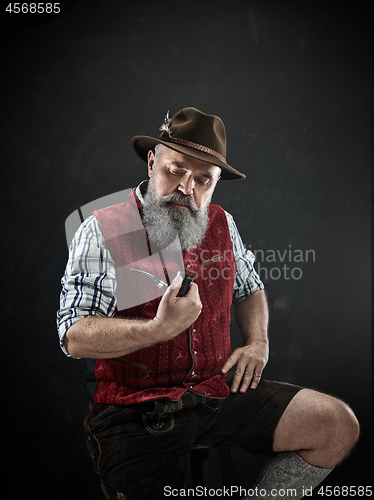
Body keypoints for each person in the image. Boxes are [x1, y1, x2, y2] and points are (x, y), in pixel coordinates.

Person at [57, 107, 359, 500]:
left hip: (216, 393)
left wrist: (258, 343)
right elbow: (74, 336)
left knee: (336, 425)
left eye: (203, 179)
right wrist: (158, 330)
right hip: (136, 411)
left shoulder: (221, 222)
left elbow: (250, 288)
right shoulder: (104, 228)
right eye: (176, 170)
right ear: (152, 162)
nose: (187, 188)